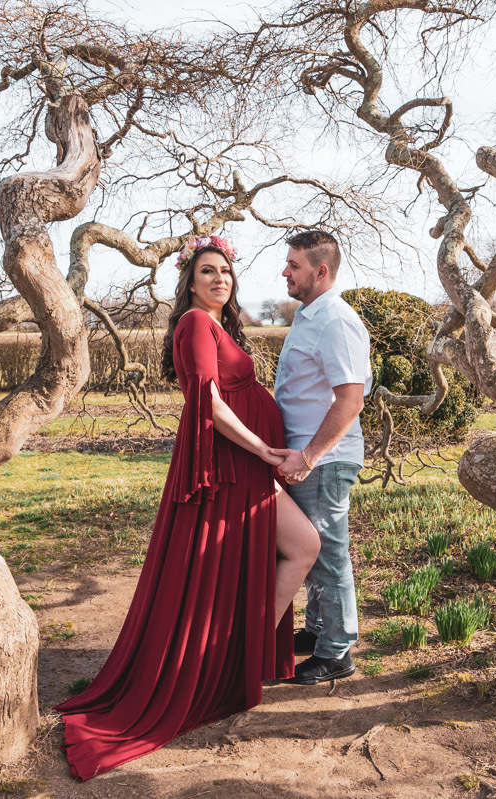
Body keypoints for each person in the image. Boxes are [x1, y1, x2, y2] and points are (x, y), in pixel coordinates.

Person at [55, 235, 321, 781]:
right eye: (207, 272)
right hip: (228, 466)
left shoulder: (218, 325)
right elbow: (208, 402)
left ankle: (234, 660)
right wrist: (262, 448)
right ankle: (231, 665)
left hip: (242, 465)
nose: (219, 279)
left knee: (284, 552)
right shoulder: (196, 324)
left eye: (225, 270)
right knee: (300, 546)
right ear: (190, 282)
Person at [271, 230, 373, 685]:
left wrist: (309, 456)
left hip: (324, 461)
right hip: (307, 458)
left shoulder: (335, 320)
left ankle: (337, 652)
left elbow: (350, 399)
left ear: (321, 270)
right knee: (311, 553)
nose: (285, 271)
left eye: (294, 265)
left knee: (328, 553)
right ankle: (317, 632)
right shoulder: (310, 316)